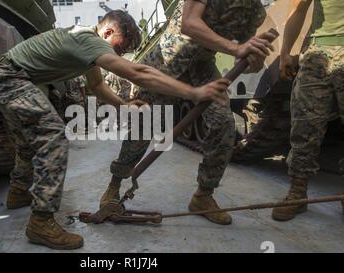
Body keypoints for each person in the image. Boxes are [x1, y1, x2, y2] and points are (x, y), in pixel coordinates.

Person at [0, 10, 230, 249]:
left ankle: (18, 192)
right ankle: (41, 221)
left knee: (29, 139)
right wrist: (193, 92)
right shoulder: (87, 39)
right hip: (11, 77)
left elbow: (98, 86)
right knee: (53, 137)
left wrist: (125, 107)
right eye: (120, 49)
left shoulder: (86, 46)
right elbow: (138, 72)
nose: (119, 55)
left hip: (11, 77)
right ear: (108, 31)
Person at [99, 0, 275, 225]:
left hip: (202, 67)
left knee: (224, 125)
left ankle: (203, 196)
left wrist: (254, 57)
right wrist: (237, 49)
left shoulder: (253, 10)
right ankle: (114, 187)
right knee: (144, 127)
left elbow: (247, 61)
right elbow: (189, 24)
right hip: (167, 60)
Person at [272, 0, 343, 221]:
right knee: (304, 125)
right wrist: (285, 52)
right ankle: (297, 192)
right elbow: (299, 8)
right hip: (317, 51)